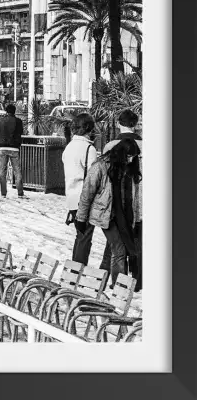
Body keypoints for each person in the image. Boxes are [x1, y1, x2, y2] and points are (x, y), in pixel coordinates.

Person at [76, 138, 142, 288]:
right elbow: (87, 193)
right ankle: (119, 287)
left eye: (133, 157)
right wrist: (81, 218)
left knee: (113, 250)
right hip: (106, 214)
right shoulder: (100, 166)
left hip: (123, 215)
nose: (131, 159)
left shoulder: (129, 167)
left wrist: (136, 218)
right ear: (121, 153)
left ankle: (101, 281)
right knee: (119, 249)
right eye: (129, 156)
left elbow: (134, 197)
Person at [63, 113, 102, 265]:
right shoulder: (88, 149)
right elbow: (94, 177)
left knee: (80, 236)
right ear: (88, 128)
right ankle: (77, 270)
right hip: (85, 199)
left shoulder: (69, 147)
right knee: (85, 238)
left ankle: (74, 270)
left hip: (71, 198)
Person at [0, 103, 25, 198]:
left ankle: (3, 193)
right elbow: (21, 131)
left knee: (3, 171)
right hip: (14, 148)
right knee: (17, 171)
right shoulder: (18, 121)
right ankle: (20, 193)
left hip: (3, 148)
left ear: (6, 111)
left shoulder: (1, 120)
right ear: (14, 111)